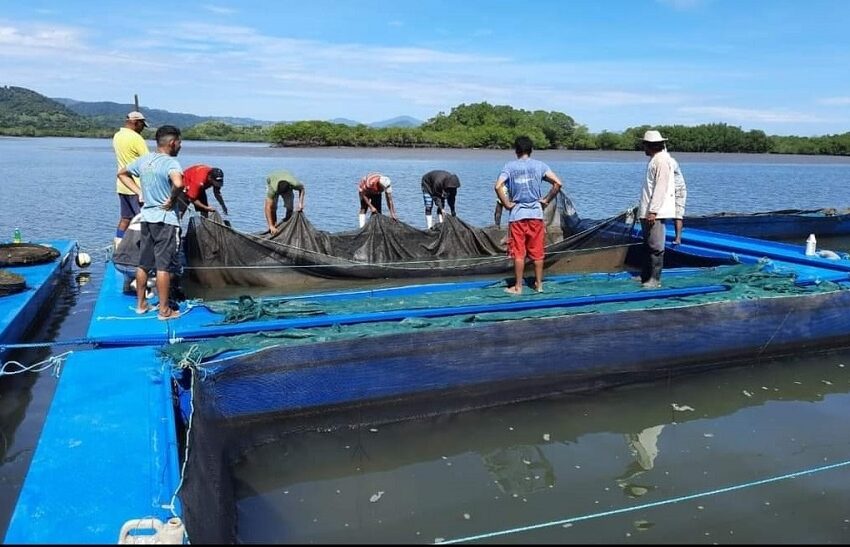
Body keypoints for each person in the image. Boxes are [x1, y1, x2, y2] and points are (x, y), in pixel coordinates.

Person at [117, 125, 184, 321]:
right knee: (163, 267)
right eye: (179, 142)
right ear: (172, 143)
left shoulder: (144, 160)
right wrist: (172, 199)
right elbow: (179, 184)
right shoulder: (171, 163)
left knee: (144, 264)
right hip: (165, 220)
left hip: (146, 219)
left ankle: (141, 304)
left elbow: (122, 173)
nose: (180, 146)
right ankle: (164, 311)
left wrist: (139, 192)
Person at [494, 136, 563, 295]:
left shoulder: (509, 167)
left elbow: (498, 186)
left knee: (519, 253)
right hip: (536, 216)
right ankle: (538, 285)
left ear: (516, 150)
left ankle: (518, 287)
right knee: (537, 252)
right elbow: (558, 183)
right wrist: (546, 200)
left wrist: (506, 204)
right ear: (531, 150)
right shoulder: (540, 165)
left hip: (517, 216)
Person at [638, 130, 677, 288]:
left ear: (651, 145)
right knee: (647, 245)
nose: (643, 148)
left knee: (656, 247)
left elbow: (661, 188)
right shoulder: (655, 160)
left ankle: (655, 279)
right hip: (647, 210)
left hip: (655, 212)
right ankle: (646, 276)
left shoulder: (662, 161)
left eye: (645, 145)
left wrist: (653, 211)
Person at [112, 111, 149, 249]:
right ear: (135, 122)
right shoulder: (136, 139)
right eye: (142, 125)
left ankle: (118, 244)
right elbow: (148, 161)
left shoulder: (117, 136)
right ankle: (140, 250)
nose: (143, 128)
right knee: (143, 220)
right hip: (137, 187)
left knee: (125, 218)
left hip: (122, 184)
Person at [265, 170, 305, 234]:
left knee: (290, 207)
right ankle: (273, 227)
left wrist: (300, 204)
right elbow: (267, 208)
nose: (282, 195)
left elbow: (302, 189)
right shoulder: (272, 189)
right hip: (272, 181)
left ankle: (288, 225)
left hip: (287, 186)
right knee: (273, 207)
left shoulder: (295, 183)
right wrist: (271, 226)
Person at [670, 156, 687, 245]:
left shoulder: (671, 162)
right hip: (669, 190)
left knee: (678, 215)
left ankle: (678, 239)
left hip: (678, 190)